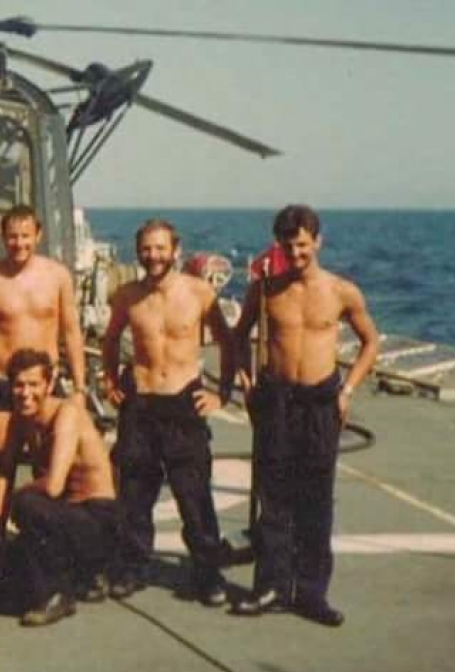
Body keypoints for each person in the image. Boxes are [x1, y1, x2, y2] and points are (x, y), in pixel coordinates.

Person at [232, 204, 379, 626]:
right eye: (286, 245)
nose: (294, 254)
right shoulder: (265, 290)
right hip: (276, 400)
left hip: (320, 402)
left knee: (315, 502)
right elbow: (239, 336)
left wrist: (347, 390)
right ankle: (271, 587)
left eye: (301, 245)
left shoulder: (342, 292)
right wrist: (244, 379)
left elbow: (371, 341)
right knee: (273, 498)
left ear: (317, 241)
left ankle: (311, 594)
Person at [102, 219, 235, 607]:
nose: (153, 256)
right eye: (146, 248)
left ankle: (207, 572)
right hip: (140, 403)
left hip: (182, 402)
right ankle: (133, 567)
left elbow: (228, 343)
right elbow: (110, 339)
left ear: (175, 250)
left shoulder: (199, 293)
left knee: (193, 495)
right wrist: (110, 380)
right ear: (137, 251)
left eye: (160, 248)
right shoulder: (127, 296)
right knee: (134, 494)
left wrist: (221, 394)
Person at [0, 205, 87, 532]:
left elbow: (71, 332)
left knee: (50, 467)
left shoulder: (58, 276)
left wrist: (82, 388)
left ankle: (43, 539)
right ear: (2, 237)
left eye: (26, 236)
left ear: (38, 235)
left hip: (44, 384)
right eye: (12, 237)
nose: (19, 244)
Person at [0, 349, 118, 627]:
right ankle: (84, 575)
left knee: (28, 504)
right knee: (4, 580)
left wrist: (15, 498)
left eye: (33, 385)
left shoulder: (67, 414)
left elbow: (53, 486)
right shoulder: (19, 419)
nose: (25, 393)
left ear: (49, 385)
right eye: (18, 385)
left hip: (98, 518)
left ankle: (58, 594)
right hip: (67, 515)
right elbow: (5, 470)